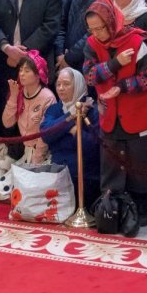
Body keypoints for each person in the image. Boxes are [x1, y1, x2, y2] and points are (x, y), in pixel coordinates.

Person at [83, 0, 147, 210]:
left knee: (140, 167)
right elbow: (90, 76)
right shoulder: (92, 44)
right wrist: (114, 64)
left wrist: (122, 86)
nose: (96, 34)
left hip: (139, 113)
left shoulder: (136, 40)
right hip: (110, 115)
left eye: (100, 28)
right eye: (91, 29)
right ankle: (113, 208)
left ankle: (141, 208)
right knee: (112, 167)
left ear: (111, 22)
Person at [0, 0, 62, 142]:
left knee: (34, 113)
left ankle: (35, 153)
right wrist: (6, 47)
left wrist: (23, 54)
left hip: (36, 63)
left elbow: (50, 26)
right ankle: (11, 152)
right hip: (5, 60)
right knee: (8, 109)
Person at [41, 67, 100, 205]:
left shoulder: (91, 109)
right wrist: (71, 117)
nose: (61, 88)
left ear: (78, 85)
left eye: (66, 84)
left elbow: (93, 146)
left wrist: (70, 132)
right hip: (58, 174)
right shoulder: (55, 109)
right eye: (58, 84)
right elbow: (46, 134)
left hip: (86, 176)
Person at [56, 0, 110, 72]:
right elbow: (61, 25)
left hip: (92, 61)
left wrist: (69, 58)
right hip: (67, 58)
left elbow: (93, 33)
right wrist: (59, 52)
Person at [3, 51, 57, 165]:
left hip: (43, 153)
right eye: (21, 70)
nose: (22, 74)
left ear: (38, 75)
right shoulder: (19, 93)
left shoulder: (47, 97)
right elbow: (7, 123)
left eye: (27, 71)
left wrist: (35, 162)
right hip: (25, 150)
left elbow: (45, 136)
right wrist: (13, 97)